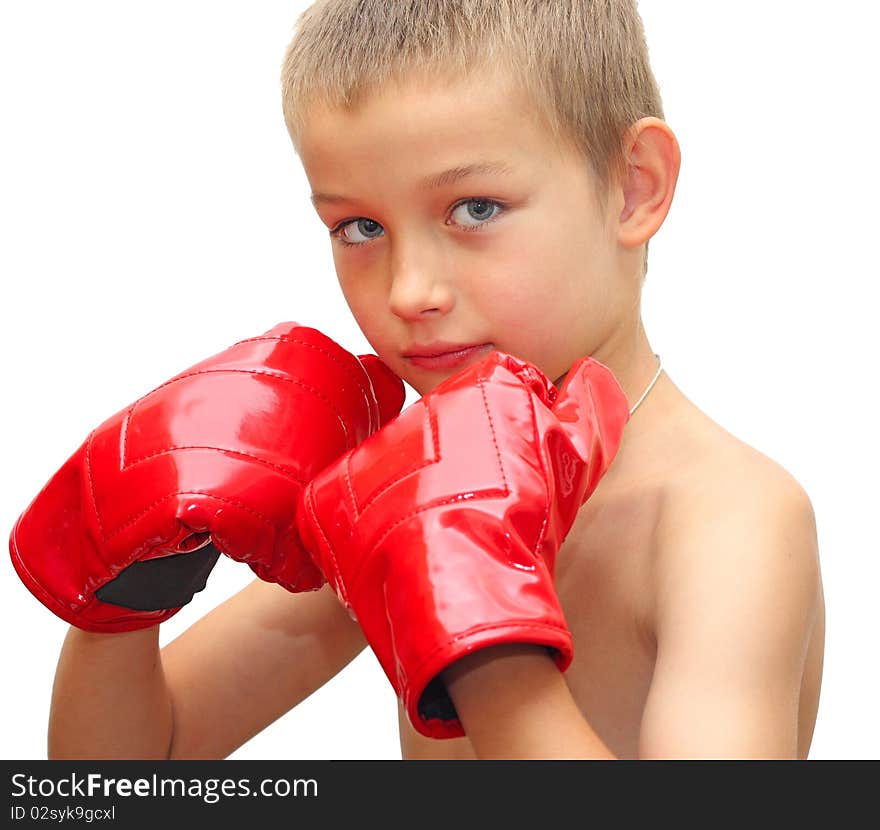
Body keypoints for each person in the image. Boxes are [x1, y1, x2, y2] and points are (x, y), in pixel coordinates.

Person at [12, 0, 824, 760]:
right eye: (359, 227)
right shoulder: (404, 489)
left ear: (634, 186)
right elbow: (122, 777)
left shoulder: (729, 523)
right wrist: (134, 585)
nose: (408, 293)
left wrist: (485, 637)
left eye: (474, 208)